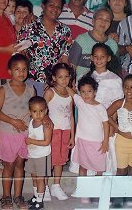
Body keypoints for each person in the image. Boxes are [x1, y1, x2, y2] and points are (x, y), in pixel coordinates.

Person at [0, 54, 35, 209]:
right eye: (17, 69)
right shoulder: (4, 89)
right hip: (8, 134)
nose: (21, 72)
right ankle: (5, 196)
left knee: (20, 165)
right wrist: (13, 121)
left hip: (23, 135)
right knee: (8, 166)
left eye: (24, 69)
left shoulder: (31, 90)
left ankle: (18, 196)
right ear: (9, 71)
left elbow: (35, 111)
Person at [18, 0, 72, 96]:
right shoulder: (29, 26)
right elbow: (21, 54)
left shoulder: (65, 30)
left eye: (58, 7)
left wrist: (66, 83)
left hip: (56, 83)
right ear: (43, 6)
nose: (55, 9)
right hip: (32, 81)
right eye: (51, 5)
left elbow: (65, 59)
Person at [66, 76, 110, 204]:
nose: (86, 94)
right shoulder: (80, 102)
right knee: (83, 167)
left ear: (95, 92)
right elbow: (71, 92)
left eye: (89, 91)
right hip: (83, 141)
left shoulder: (100, 107)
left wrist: (105, 141)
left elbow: (106, 125)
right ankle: (83, 190)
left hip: (97, 143)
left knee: (99, 169)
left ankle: (97, 191)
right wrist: (66, 83)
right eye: (83, 92)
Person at [106, 74, 132, 207]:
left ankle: (131, 195)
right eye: (126, 87)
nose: (128, 90)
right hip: (122, 142)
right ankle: (118, 197)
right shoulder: (119, 103)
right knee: (121, 170)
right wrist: (116, 126)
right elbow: (106, 114)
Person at [43, 63, 75, 201]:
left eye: (67, 76)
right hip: (53, 132)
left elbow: (71, 115)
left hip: (66, 131)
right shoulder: (50, 92)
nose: (64, 79)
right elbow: (42, 111)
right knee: (49, 160)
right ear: (54, 78)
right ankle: (43, 187)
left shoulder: (69, 94)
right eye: (60, 77)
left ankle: (56, 185)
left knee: (60, 161)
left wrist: (72, 136)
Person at [68, 7, 118, 82]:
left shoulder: (112, 44)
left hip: (105, 88)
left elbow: (115, 69)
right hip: (83, 88)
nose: (103, 22)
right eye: (100, 18)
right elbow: (71, 68)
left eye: (107, 20)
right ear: (93, 21)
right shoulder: (81, 39)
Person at [25, 96, 53, 210]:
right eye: (35, 111)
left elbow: (46, 142)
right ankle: (36, 196)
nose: (38, 114)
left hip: (42, 155)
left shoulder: (46, 125)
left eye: (41, 111)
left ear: (46, 110)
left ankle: (40, 201)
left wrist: (31, 141)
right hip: (32, 155)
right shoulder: (31, 122)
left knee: (40, 178)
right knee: (34, 176)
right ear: (30, 112)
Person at [87, 43, 122, 109]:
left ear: (108, 58)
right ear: (91, 58)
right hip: (89, 116)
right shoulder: (87, 78)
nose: (99, 59)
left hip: (107, 116)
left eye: (102, 56)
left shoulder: (115, 79)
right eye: (95, 56)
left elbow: (118, 103)